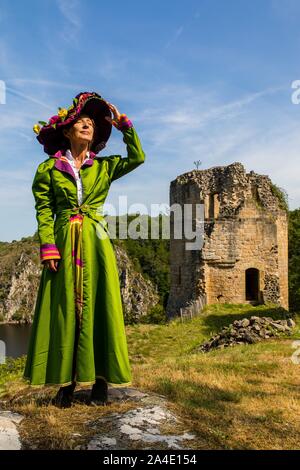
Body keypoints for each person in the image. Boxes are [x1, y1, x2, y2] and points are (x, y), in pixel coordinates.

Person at [23, 91, 146, 407]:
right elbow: (44, 209)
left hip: (96, 241)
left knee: (100, 306)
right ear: (67, 131)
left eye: (92, 123)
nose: (88, 125)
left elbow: (137, 158)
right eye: (82, 121)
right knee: (64, 309)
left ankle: (101, 383)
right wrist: (48, 245)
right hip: (64, 241)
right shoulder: (48, 170)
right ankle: (65, 384)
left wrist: (126, 128)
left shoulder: (103, 168)